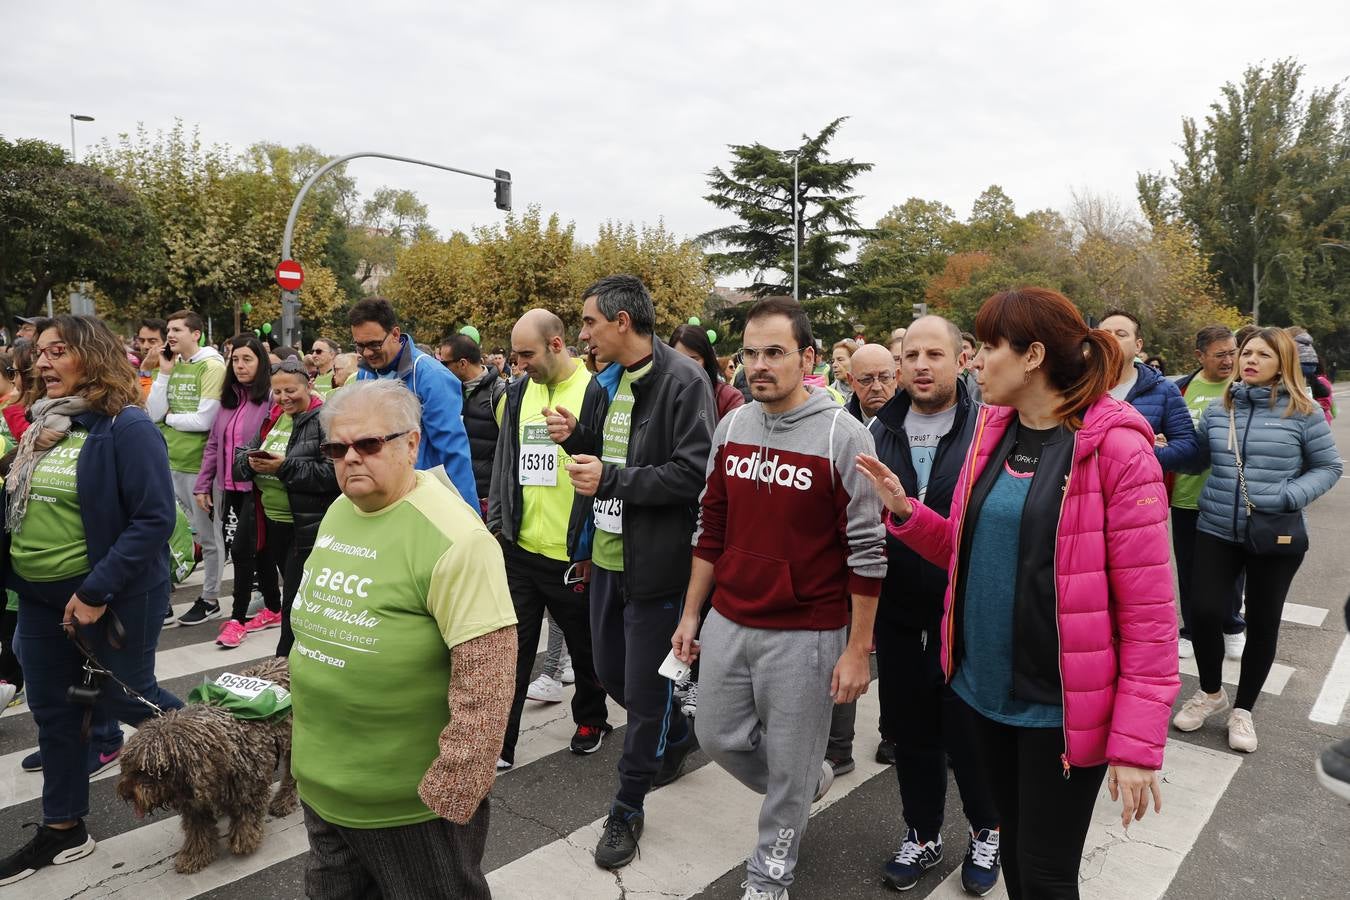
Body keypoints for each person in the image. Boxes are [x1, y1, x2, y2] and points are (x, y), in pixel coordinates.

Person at [857, 288, 1180, 900]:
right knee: (1016, 862)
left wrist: (1138, 744)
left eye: (986, 348)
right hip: (981, 696)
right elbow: (966, 551)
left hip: (1059, 712)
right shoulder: (993, 430)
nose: (975, 362)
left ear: (1033, 355)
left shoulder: (1115, 448)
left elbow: (1150, 614)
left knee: (1047, 877)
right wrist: (906, 512)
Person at [672, 297, 885, 900]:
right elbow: (710, 526)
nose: (759, 365)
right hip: (729, 620)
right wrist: (692, 614)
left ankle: (769, 876)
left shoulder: (846, 435)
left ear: (808, 357)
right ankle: (802, 782)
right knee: (716, 737)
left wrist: (858, 649)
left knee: (788, 771)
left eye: (775, 353)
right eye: (751, 354)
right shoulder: (732, 425)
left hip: (808, 632)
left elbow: (868, 554)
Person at [289, 380, 516, 899]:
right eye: (336, 449)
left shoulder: (456, 540)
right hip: (325, 785)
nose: (351, 459)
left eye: (368, 444)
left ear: (411, 443)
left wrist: (452, 791)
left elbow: (488, 676)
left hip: (408, 804)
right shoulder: (340, 509)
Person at [0, 315, 183, 886]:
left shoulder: (125, 428)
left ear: (93, 356)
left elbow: (155, 517)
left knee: (128, 700)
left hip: (111, 596)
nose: (43, 361)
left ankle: (229, 758)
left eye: (59, 350)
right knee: (57, 713)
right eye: (40, 352)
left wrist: (96, 591)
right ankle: (64, 829)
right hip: (37, 597)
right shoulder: (41, 427)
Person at [544, 274, 713, 869]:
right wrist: (574, 438)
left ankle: (628, 807)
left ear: (621, 321)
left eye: (589, 322)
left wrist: (611, 479)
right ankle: (675, 733)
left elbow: (692, 475)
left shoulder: (684, 381)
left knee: (641, 697)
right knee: (613, 677)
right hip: (609, 559)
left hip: (659, 569)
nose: (582, 334)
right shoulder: (604, 382)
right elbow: (606, 450)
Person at [865, 315, 1001, 894]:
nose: (921, 365)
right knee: (911, 733)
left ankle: (986, 830)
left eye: (934, 355)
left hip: (965, 613)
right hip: (898, 613)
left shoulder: (990, 428)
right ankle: (922, 833)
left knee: (969, 736)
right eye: (911, 355)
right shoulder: (876, 430)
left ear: (962, 359)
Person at [1172, 327, 1341, 752]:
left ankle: (1243, 710)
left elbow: (1328, 468)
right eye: (1247, 353)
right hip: (1215, 526)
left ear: (1281, 362)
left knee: (1263, 623)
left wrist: (1286, 496)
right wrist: (1152, 449)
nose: (1249, 361)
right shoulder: (1217, 409)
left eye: (1263, 355)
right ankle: (1211, 692)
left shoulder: (1304, 413)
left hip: (1275, 534)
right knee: (1204, 611)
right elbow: (1196, 459)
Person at [489, 309, 612, 771]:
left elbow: (607, 462)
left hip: (571, 553)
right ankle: (503, 740)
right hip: (520, 548)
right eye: (516, 355)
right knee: (513, 649)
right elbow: (507, 460)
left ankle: (591, 720)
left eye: (527, 355)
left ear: (557, 344)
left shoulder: (595, 391)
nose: (519, 365)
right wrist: (500, 526)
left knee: (585, 647)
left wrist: (592, 546)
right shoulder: (518, 392)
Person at [236, 358, 339, 656]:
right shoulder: (275, 415)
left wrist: (283, 468)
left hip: (305, 528)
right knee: (296, 600)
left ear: (308, 384)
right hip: (271, 524)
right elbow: (241, 457)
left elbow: (332, 474)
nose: (283, 398)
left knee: (293, 599)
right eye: (277, 392)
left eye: (290, 390)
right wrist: (251, 462)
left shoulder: (325, 420)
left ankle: (284, 665)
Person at [348, 297, 479, 508]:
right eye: (359, 345)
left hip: (423, 498)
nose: (366, 353)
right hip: (382, 494)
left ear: (395, 334)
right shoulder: (364, 374)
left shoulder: (431, 376)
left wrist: (469, 514)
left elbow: (454, 452)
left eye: (374, 344)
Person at [147, 309, 227, 626]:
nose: (170, 335)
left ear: (196, 333)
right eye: (168, 329)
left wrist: (170, 419)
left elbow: (204, 420)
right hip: (169, 462)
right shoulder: (175, 365)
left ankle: (210, 599)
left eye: (177, 329)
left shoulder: (212, 365)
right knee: (165, 533)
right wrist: (164, 373)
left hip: (200, 467)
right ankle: (163, 600)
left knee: (209, 536)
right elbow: (153, 412)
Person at [1171, 325, 1245, 660]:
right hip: (1186, 497)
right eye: (1221, 354)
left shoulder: (1248, 385)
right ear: (1200, 356)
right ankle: (1191, 629)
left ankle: (1232, 625)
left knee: (1232, 567)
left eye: (1233, 352)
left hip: (1233, 497)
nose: (1229, 360)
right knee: (1189, 568)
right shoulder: (1180, 389)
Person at [194, 335, 274, 646]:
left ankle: (237, 619)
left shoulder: (269, 398)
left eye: (247, 359)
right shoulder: (227, 401)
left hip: (258, 490)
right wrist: (203, 485)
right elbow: (213, 446)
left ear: (261, 363)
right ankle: (275, 607)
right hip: (229, 490)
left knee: (244, 553)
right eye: (235, 360)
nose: (240, 366)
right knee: (256, 551)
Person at [1098, 309, 1197, 471]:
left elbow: (1187, 448)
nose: (1111, 339)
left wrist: (1147, 450)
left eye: (1121, 334)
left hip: (1137, 490)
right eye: (1105, 334)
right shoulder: (1078, 386)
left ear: (1138, 346)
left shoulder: (1164, 390)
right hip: (1085, 491)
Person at [445, 333, 505, 512]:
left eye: (444, 363)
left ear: (462, 363)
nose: (439, 368)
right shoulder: (449, 391)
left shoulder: (500, 394)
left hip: (486, 499)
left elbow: (509, 450)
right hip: (455, 494)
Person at [670, 324, 744, 422]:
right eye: (678, 359)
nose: (685, 366)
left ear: (706, 359)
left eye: (693, 359)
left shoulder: (729, 398)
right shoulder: (661, 394)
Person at [844, 343, 897, 426]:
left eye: (884, 378)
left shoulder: (915, 419)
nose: (877, 388)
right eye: (867, 380)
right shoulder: (840, 423)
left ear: (896, 378)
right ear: (851, 381)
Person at [134, 318, 167, 400]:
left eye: (152, 341)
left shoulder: (175, 369)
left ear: (166, 343)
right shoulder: (131, 369)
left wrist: (145, 371)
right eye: (141, 341)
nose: (145, 346)